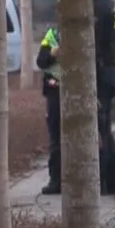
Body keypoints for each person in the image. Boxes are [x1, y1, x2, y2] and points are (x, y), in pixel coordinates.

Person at [93, 0, 115, 195]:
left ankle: (105, 182)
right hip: (111, 70)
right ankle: (114, 181)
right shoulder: (112, 7)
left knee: (100, 130)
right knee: (105, 129)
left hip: (102, 74)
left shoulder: (97, 9)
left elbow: (94, 48)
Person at [36, 24, 63, 194]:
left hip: (80, 91)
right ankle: (56, 179)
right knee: (56, 137)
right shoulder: (53, 34)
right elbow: (41, 61)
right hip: (55, 91)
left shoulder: (87, 26)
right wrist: (53, 53)